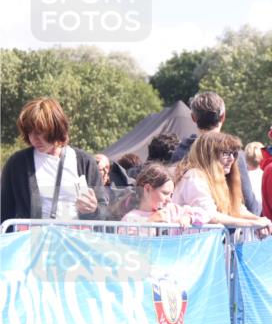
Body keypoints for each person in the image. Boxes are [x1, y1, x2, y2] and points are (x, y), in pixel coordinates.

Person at [1, 97, 106, 225]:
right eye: (29, 132)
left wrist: (94, 210)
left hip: (76, 236)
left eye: (39, 132)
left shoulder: (85, 162)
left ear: (56, 128)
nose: (33, 138)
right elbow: (4, 211)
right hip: (34, 237)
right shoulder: (17, 164)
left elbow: (104, 212)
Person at [170, 91, 261, 215]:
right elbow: (249, 202)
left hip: (188, 223)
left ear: (193, 118)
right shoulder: (234, 154)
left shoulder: (181, 152)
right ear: (223, 117)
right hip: (220, 222)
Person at [172, 131, 272, 230]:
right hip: (189, 240)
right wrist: (253, 223)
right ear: (209, 155)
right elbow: (210, 215)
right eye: (226, 153)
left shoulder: (219, 178)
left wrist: (260, 220)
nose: (232, 159)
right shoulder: (194, 176)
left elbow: (237, 209)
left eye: (233, 153)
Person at [120, 162, 208, 234]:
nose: (169, 199)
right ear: (147, 189)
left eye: (171, 195)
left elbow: (205, 214)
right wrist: (150, 223)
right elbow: (126, 244)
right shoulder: (130, 219)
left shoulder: (173, 210)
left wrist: (189, 218)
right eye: (165, 193)